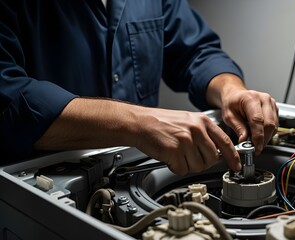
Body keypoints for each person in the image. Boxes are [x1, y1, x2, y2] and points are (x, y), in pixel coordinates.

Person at [0, 0, 278, 175]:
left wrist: (230, 90)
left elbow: (196, 51)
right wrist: (138, 123)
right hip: (42, 191)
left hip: (138, 177)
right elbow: (10, 96)